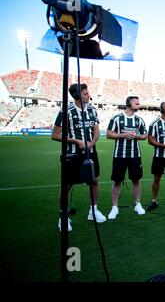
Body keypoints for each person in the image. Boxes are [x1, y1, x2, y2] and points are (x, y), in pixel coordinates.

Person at [52, 83, 106, 232]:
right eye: (85, 93)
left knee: (94, 181)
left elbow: (96, 130)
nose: (89, 95)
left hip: (91, 152)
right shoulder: (66, 111)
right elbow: (55, 135)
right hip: (73, 154)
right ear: (77, 96)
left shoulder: (92, 110)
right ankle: (63, 216)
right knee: (67, 185)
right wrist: (76, 141)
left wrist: (92, 143)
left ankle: (93, 211)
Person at [106, 96, 148, 219]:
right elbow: (108, 134)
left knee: (136, 180)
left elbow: (144, 135)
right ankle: (115, 207)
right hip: (120, 155)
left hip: (135, 154)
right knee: (117, 181)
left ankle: (138, 204)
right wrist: (123, 135)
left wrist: (136, 136)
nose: (139, 105)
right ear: (129, 104)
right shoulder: (117, 118)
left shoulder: (139, 120)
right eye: (136, 103)